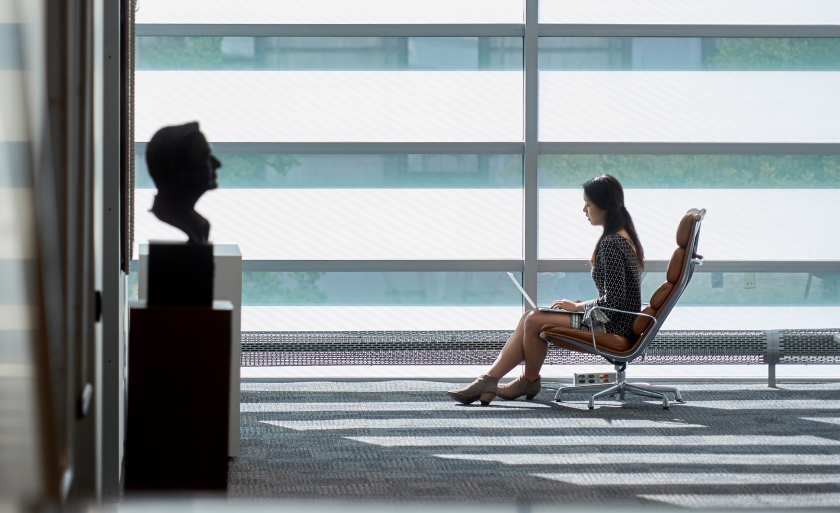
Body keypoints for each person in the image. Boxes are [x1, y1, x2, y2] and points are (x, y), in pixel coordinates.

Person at [447, 174, 644, 405]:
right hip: (617, 319)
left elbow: (614, 302)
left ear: (604, 206)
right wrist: (578, 306)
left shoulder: (611, 243)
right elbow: (615, 299)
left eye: (588, 204)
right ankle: (494, 380)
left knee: (533, 321)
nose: (584, 210)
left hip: (613, 324)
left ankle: (522, 380)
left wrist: (581, 307)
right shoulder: (625, 237)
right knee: (530, 317)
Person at [146, 122, 222, 244]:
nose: (217, 164)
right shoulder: (194, 224)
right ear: (177, 169)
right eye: (205, 156)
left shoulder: (200, 224)